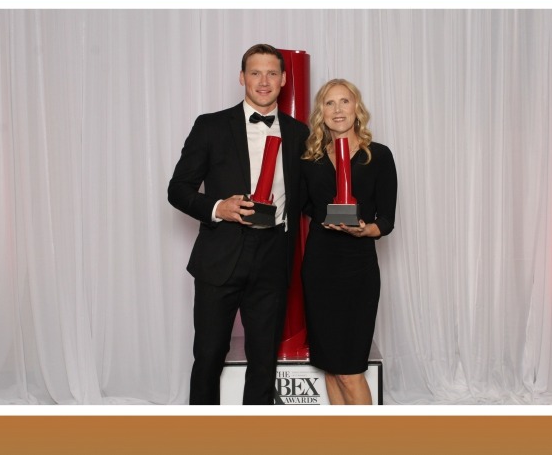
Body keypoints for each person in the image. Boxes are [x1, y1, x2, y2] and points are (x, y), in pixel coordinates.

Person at [167, 44, 310, 405]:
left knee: (264, 361)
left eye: (272, 73)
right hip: (221, 254)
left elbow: (309, 197)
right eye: (255, 73)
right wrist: (219, 207)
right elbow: (178, 189)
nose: (264, 81)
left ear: (284, 79)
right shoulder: (211, 126)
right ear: (242, 77)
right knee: (209, 356)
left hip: (273, 257)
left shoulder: (299, 133)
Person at [299, 79, 397, 405]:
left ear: (357, 108)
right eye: (329, 103)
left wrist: (365, 229)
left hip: (358, 270)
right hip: (319, 268)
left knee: (350, 370)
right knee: (330, 367)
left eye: (345, 101)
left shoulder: (378, 156)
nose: (338, 109)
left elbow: (387, 220)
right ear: (321, 112)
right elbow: (305, 205)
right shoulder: (310, 159)